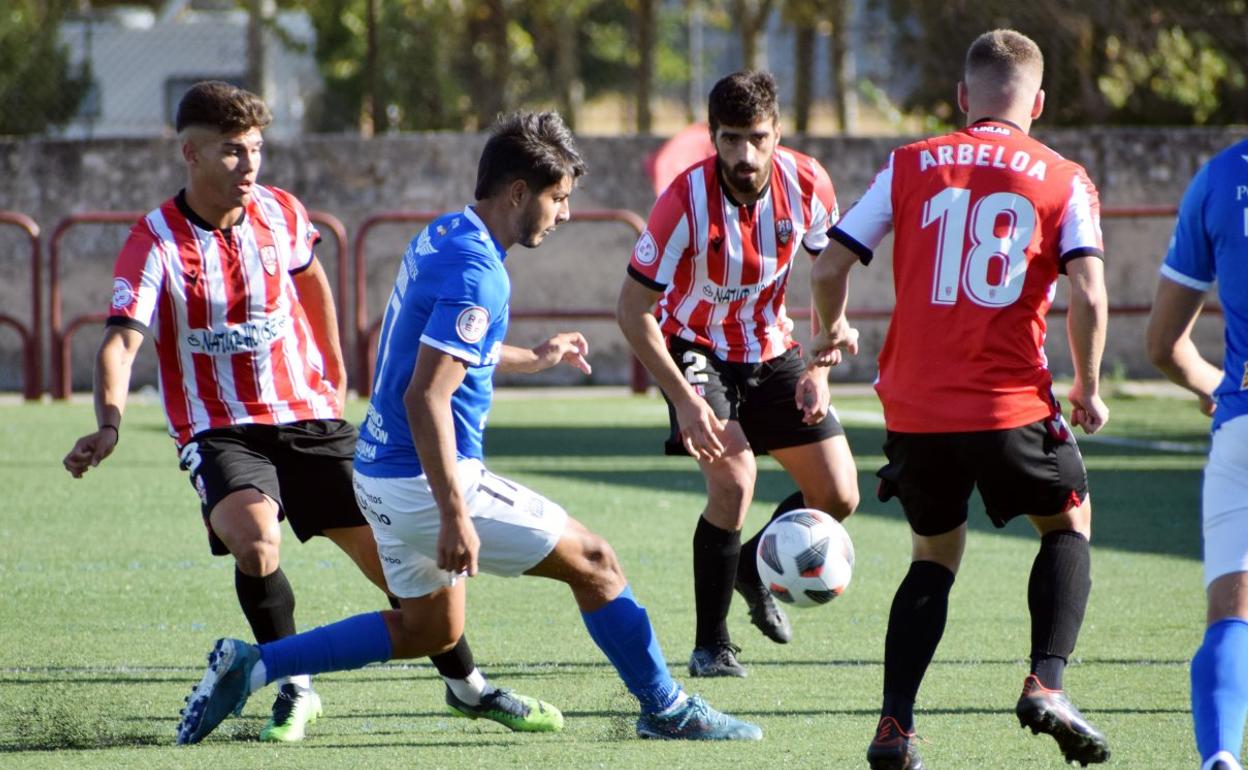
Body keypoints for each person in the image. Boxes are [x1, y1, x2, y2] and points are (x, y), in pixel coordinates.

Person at [173, 110, 762, 745]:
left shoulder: (444, 234)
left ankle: (256, 663)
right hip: (427, 482)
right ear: (518, 193)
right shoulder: (481, 272)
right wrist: (455, 515)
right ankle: (667, 708)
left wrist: (532, 358)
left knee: (429, 631)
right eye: (557, 198)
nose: (563, 214)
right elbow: (427, 395)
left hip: (378, 473)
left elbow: (426, 347)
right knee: (596, 562)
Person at [62, 81, 558, 743]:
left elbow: (312, 281)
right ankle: (293, 688)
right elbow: (122, 337)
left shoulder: (282, 214)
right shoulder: (153, 240)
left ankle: (466, 686)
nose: (248, 165)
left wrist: (336, 364)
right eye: (232, 152)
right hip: (220, 428)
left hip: (308, 416)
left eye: (256, 150)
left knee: (397, 566)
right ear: (192, 154)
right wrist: (110, 422)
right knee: (255, 538)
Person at [810, 30, 1113, 769]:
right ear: (1036, 102)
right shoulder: (1063, 176)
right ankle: (1047, 681)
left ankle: (894, 726)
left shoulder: (909, 163)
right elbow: (1093, 294)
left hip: (914, 407)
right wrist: (1088, 385)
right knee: (1068, 520)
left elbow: (829, 265)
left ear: (961, 97)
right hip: (1009, 403)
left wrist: (832, 330)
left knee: (934, 554)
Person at [616, 70, 860, 678]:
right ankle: (711, 645)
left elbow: (826, 276)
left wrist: (821, 367)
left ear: (778, 133)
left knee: (839, 494)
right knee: (734, 481)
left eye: (757, 138)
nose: (744, 156)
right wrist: (687, 400)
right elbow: (632, 310)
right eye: (730, 140)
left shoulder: (809, 182)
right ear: (711, 136)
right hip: (695, 347)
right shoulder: (682, 202)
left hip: (771, 348)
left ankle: (753, 567)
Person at [1146, 139, 1248, 770]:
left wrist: (1223, 390)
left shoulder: (1220, 178)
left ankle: (1220, 753)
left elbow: (1163, 345)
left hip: (1242, 425)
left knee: (1231, 614)